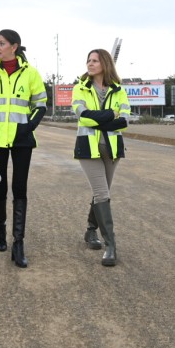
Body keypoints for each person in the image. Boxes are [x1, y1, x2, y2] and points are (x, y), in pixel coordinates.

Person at [0, 29, 47, 268]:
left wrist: (28, 127)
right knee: (0, 186)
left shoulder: (31, 74)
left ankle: (19, 243)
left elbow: (40, 104)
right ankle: (0, 232)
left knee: (19, 188)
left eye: (2, 43)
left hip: (22, 139)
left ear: (14, 46)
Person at [71, 49, 131, 267]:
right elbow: (82, 115)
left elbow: (124, 120)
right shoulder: (80, 87)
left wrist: (101, 118)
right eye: (88, 60)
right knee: (102, 193)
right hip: (88, 148)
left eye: (94, 60)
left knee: (102, 193)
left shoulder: (118, 90)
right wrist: (108, 116)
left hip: (112, 149)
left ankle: (90, 230)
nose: (90, 63)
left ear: (105, 63)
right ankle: (111, 245)